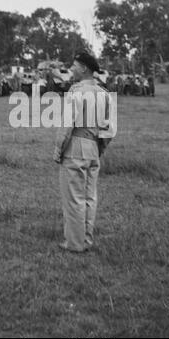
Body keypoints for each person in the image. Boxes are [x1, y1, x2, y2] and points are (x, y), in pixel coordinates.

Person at [53, 52, 113, 253]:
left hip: (75, 147)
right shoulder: (104, 94)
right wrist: (99, 147)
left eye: (75, 65)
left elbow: (67, 125)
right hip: (93, 148)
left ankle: (74, 243)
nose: (72, 69)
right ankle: (86, 240)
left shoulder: (76, 92)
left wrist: (58, 149)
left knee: (73, 198)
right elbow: (109, 129)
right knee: (89, 198)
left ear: (85, 69)